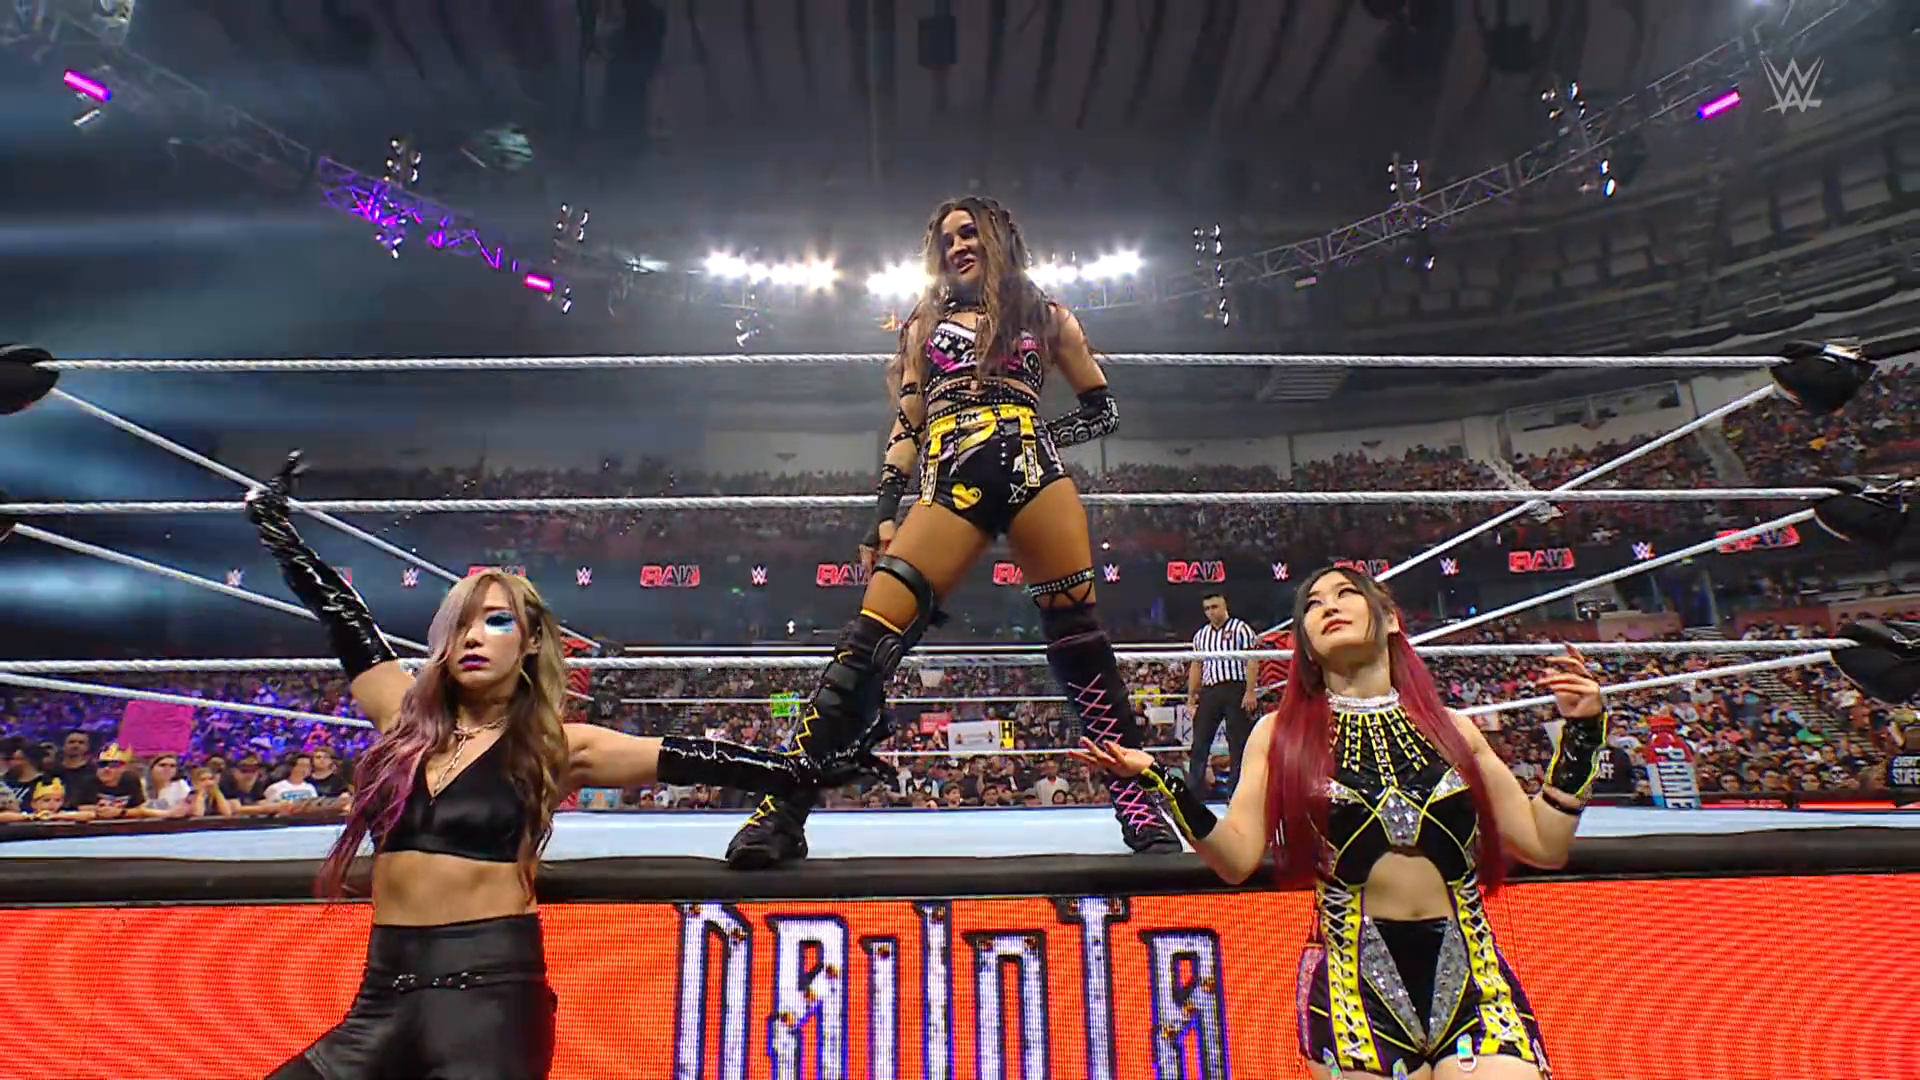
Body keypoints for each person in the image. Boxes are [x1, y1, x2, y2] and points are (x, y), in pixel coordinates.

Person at [246, 455, 885, 1080]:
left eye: (496, 621)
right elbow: (346, 620)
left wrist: (814, 769)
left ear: (529, 642)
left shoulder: (553, 745)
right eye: (460, 624)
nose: (473, 636)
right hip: (381, 994)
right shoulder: (405, 720)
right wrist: (280, 534)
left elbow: (693, 758)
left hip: (487, 998)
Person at [725, 194, 1181, 869]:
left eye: (970, 233)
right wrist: (884, 510)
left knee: (1082, 644)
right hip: (950, 474)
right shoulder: (924, 325)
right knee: (869, 640)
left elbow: (1102, 408)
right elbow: (907, 424)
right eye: (947, 240)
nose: (958, 246)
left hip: (1034, 477)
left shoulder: (1047, 316)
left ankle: (1140, 810)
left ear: (998, 238)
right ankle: (783, 808)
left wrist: (1036, 437)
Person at [1076, 566, 1607, 1079]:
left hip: (1476, 983)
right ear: (1305, 643)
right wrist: (1162, 781)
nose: (1329, 606)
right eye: (1313, 604)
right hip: (1351, 992)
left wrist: (1583, 732)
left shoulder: (1453, 730)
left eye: (1345, 593)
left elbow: (1544, 843)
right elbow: (1236, 859)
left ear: (1390, 618)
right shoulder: (1278, 734)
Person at [1186, 591, 1259, 796]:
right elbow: (1196, 665)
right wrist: (1191, 697)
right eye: (1207, 609)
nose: (1211, 612)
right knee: (1200, 741)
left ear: (1224, 605)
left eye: (1214, 607)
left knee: (1238, 743)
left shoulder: (1241, 629)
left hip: (1236, 688)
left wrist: (1250, 691)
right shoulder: (1201, 635)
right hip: (1210, 691)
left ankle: (1236, 793)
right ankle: (1194, 794)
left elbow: (1252, 660)